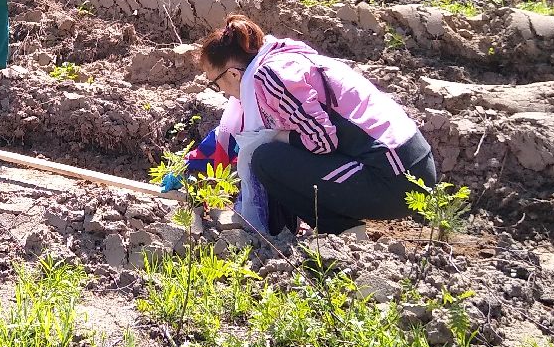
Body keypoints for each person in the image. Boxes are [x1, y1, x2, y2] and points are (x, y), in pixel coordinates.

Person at [178, 15, 438, 236]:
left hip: (396, 175)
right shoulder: (280, 60)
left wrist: (279, 137)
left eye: (216, 83)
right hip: (408, 162)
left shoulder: (270, 76)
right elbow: (233, 134)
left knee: (267, 158)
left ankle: (341, 235)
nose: (221, 92)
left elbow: (322, 140)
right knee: (273, 154)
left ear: (233, 74)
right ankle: (289, 231)